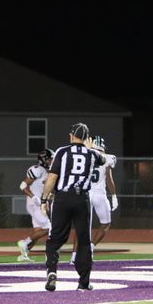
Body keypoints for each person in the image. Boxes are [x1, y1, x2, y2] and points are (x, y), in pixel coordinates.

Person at [40, 122, 105, 291]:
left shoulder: (62, 151)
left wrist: (43, 199)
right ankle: (83, 281)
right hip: (82, 200)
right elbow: (103, 158)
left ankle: (52, 272)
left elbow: (52, 178)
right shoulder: (92, 154)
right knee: (84, 241)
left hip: (63, 198)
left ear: (71, 136)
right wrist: (91, 148)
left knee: (54, 238)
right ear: (85, 138)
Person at [70, 135, 118, 264]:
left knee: (81, 227)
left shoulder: (84, 155)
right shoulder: (108, 158)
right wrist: (113, 195)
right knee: (105, 224)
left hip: (84, 194)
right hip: (99, 194)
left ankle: (74, 256)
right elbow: (108, 179)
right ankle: (90, 248)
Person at [16, 148, 54, 262]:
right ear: (44, 160)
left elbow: (44, 191)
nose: (52, 161)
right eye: (50, 159)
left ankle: (24, 254)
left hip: (38, 204)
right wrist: (34, 197)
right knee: (48, 228)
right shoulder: (38, 170)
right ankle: (25, 242)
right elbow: (23, 186)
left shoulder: (46, 172)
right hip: (34, 204)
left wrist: (48, 199)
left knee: (38, 232)